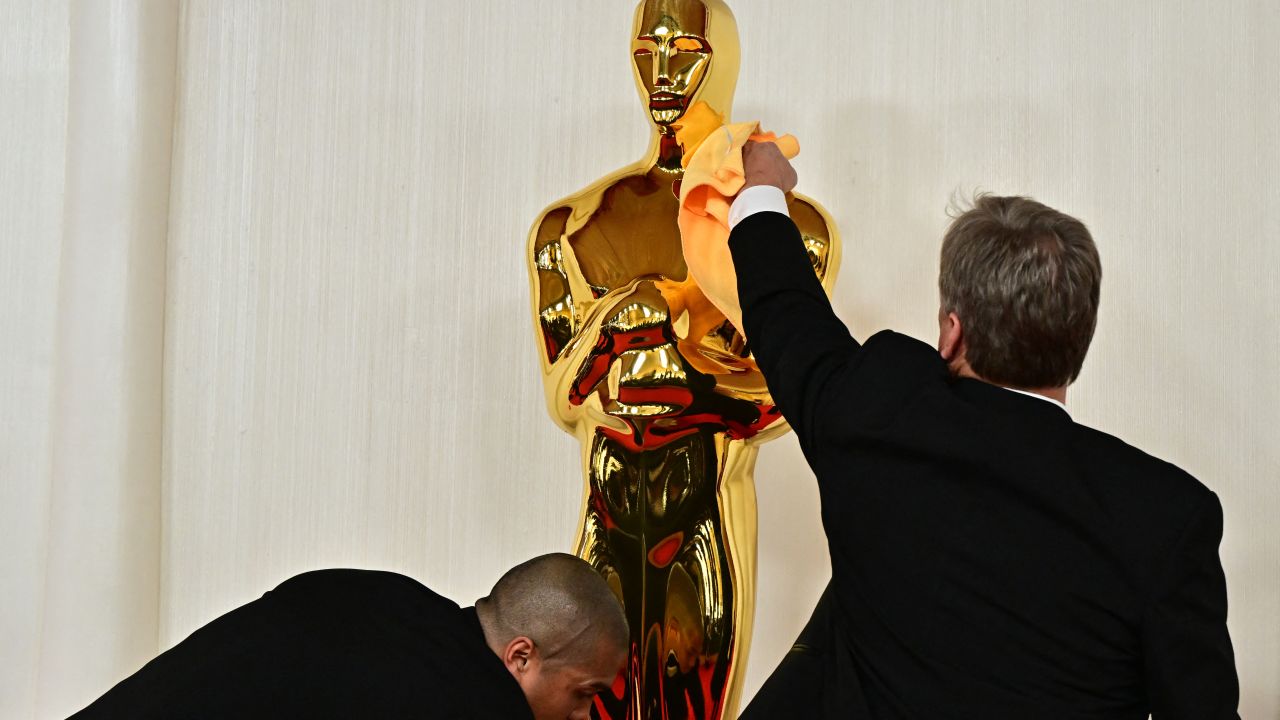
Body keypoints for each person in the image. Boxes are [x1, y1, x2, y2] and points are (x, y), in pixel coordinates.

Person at [728, 142, 1239, 719]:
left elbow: (787, 315)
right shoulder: (1167, 515)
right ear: (1078, 343)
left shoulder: (875, 413)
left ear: (952, 332)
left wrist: (763, 189)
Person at [70, 553, 628, 720]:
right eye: (585, 694)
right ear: (521, 656)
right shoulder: (478, 705)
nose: (582, 718)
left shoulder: (378, 594)